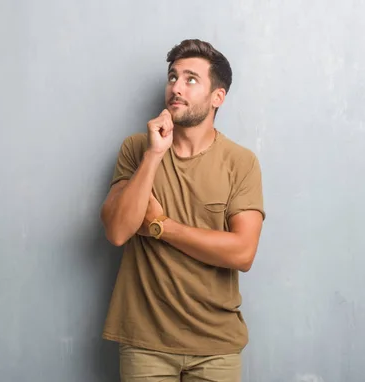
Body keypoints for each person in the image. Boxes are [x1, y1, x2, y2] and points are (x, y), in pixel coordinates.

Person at [99, 39, 266, 382]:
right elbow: (117, 231)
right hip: (146, 342)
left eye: (191, 79)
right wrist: (154, 154)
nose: (176, 87)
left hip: (216, 346)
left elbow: (243, 252)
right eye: (173, 77)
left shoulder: (241, 162)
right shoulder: (137, 149)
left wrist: (162, 226)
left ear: (217, 97)